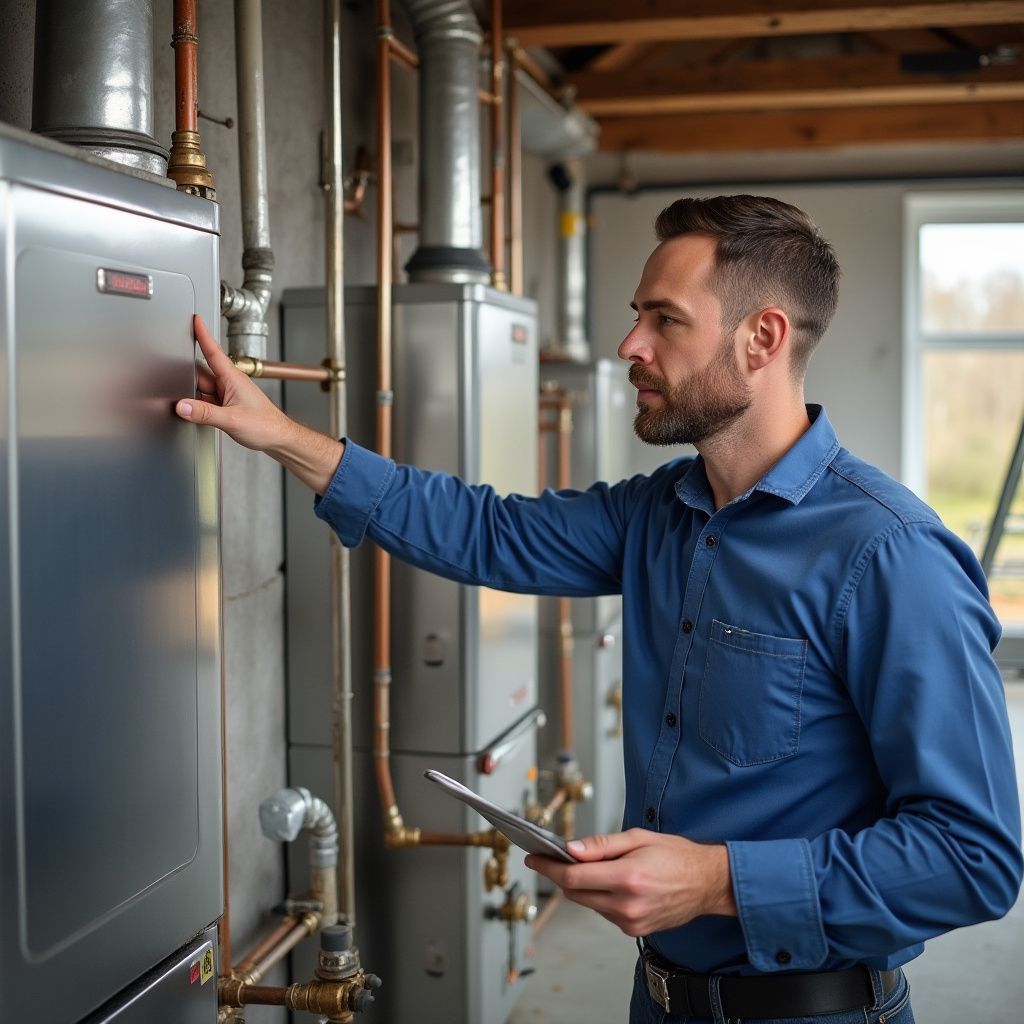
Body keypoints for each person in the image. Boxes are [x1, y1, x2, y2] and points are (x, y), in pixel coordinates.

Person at [177, 195, 1023, 1024]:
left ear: (761, 337)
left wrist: (715, 880)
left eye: (665, 319)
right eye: (635, 316)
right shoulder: (658, 512)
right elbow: (487, 531)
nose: (630, 346)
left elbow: (973, 858)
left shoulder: (890, 554)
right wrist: (285, 435)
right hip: (657, 998)